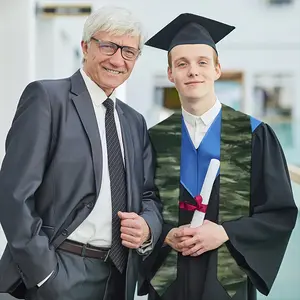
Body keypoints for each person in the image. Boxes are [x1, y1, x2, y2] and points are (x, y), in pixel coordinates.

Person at [0, 6, 162, 300]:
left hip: (117, 276)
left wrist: (148, 227)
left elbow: (148, 194)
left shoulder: (134, 121)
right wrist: (44, 273)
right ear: (85, 46)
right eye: (108, 46)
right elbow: (14, 195)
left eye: (129, 51)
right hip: (59, 271)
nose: (117, 59)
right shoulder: (48, 100)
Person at [137, 13, 298, 300]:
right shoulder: (154, 139)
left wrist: (226, 233)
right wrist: (164, 236)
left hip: (227, 283)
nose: (193, 71)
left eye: (202, 62)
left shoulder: (253, 134)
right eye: (182, 64)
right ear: (171, 74)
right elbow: (141, 206)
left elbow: (278, 212)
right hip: (168, 283)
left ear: (217, 69)